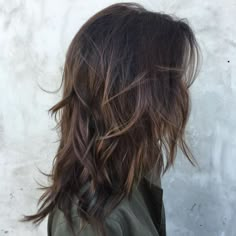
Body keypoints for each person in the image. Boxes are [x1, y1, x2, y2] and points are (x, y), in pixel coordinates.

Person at [22, 2, 201, 236]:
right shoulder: (89, 222)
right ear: (129, 92)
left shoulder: (137, 170)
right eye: (169, 79)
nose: (180, 91)